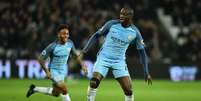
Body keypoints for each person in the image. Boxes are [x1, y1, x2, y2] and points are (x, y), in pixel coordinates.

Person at [81, 7, 152, 101]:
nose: (121, 16)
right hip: (103, 58)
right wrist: (85, 50)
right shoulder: (111, 24)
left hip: (119, 61)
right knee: (94, 82)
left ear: (130, 16)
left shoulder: (135, 32)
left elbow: (142, 52)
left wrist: (146, 72)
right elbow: (96, 35)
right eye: (121, 14)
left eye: (124, 14)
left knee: (128, 90)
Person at [26, 24, 87, 101]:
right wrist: (47, 72)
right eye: (63, 34)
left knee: (56, 93)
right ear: (58, 35)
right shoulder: (52, 46)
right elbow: (40, 59)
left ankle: (34, 89)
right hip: (53, 71)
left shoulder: (70, 43)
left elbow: (75, 55)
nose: (66, 36)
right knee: (64, 89)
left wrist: (82, 65)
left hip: (62, 71)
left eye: (67, 34)